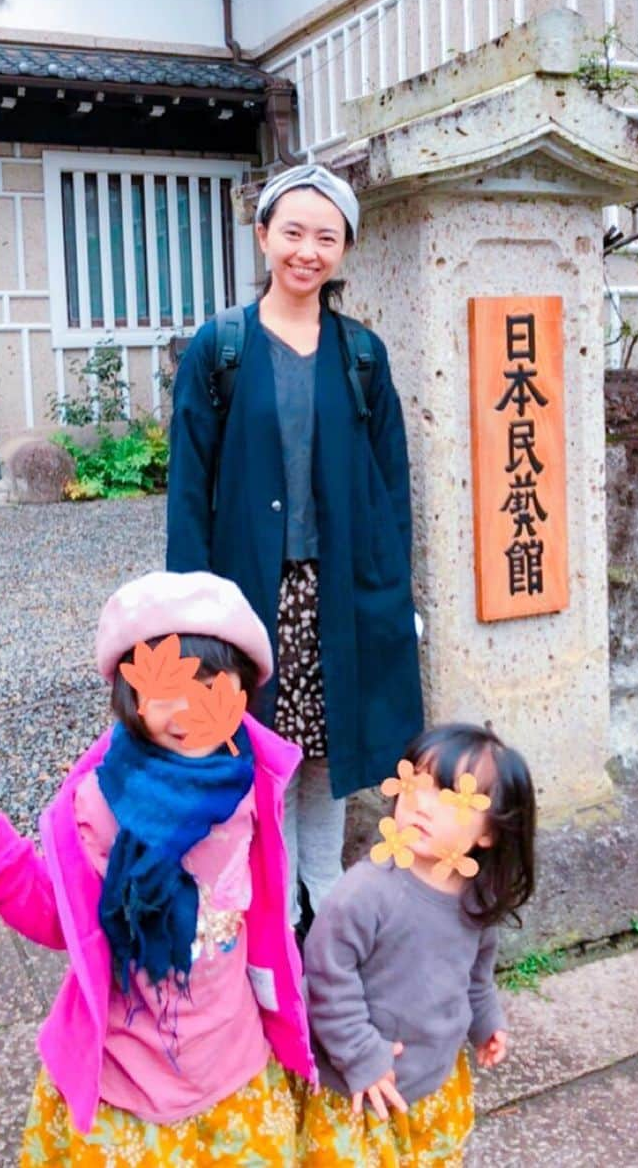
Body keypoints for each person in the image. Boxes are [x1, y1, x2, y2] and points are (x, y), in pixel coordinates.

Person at [0, 570, 314, 1167]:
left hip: (232, 1066)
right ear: (131, 697)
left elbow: (264, 908)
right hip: (127, 1079)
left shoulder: (250, 783)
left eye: (211, 686)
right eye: (166, 691)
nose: (189, 712)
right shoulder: (103, 804)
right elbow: (66, 920)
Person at [167, 162, 424, 930]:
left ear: (344, 248)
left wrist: (397, 600)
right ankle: (271, 923)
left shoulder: (362, 356)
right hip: (251, 594)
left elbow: (391, 487)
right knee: (260, 759)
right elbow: (188, 487)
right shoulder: (223, 348)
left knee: (328, 753)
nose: (307, 251)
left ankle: (324, 911)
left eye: (326, 236)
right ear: (262, 236)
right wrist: (190, 612)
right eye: (293, 232)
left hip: (339, 590)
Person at [299, 722, 536, 1167]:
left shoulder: (476, 897)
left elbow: (475, 974)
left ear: (489, 833)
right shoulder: (366, 891)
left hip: (432, 1080)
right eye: (416, 784)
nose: (422, 805)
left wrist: (486, 1021)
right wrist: (360, 1055)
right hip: (361, 1088)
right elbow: (326, 979)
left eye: (451, 797)